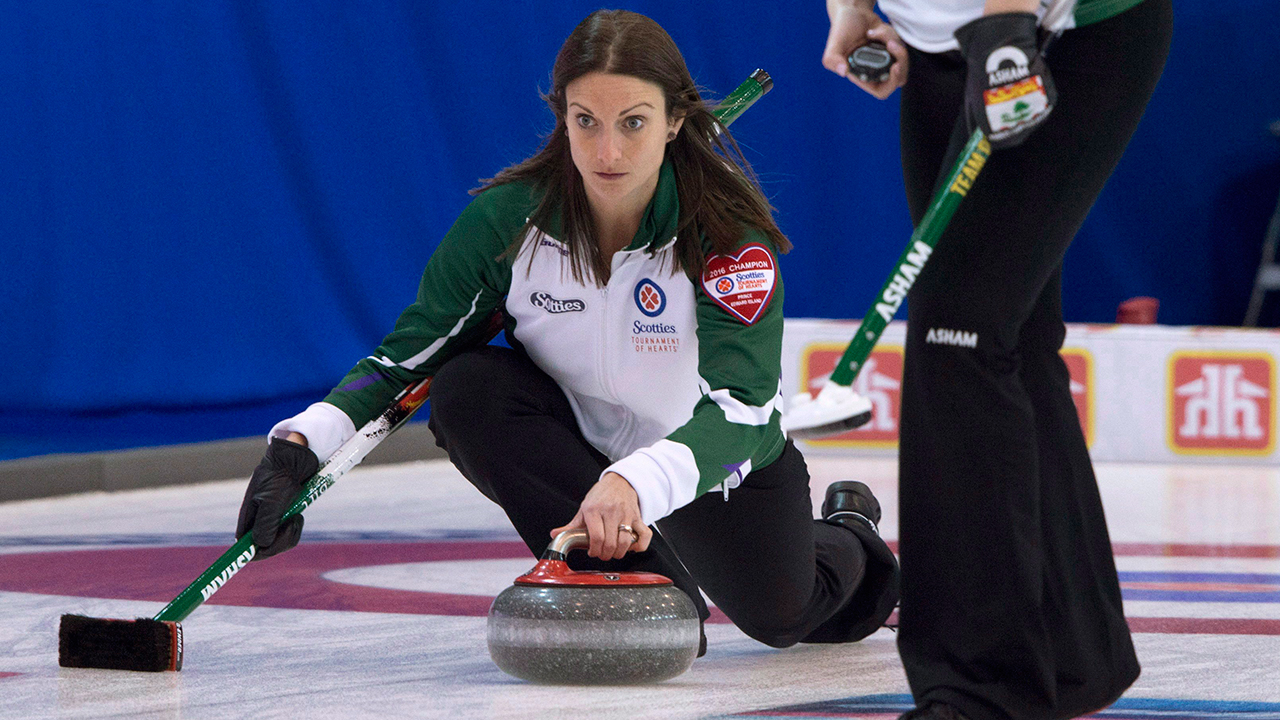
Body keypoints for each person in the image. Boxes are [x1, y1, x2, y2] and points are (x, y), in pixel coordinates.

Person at [236, 9, 899, 659]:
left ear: (674, 121)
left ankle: (849, 528)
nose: (607, 152)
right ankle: (631, 584)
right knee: (466, 387)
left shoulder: (727, 241)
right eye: (587, 122)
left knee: (787, 617)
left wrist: (637, 482)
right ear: (562, 118)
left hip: (708, 464)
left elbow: (744, 414)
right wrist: (302, 443)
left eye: (633, 123)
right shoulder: (507, 225)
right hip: (580, 451)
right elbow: (406, 359)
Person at [821, 0, 1172, 717]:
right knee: (1005, 335)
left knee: (960, 336)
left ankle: (980, 692)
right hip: (939, 40)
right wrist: (852, 7)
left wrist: (1006, 22)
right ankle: (1071, 656)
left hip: (1059, 30)